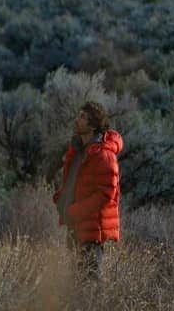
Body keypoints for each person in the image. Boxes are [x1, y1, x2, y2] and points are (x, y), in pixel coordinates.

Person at [52, 101, 123, 279]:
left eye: (83, 117)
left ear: (93, 125)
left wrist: (75, 211)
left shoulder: (104, 155)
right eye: (79, 115)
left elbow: (105, 195)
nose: (77, 120)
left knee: (89, 284)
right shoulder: (78, 149)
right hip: (74, 225)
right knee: (74, 282)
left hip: (91, 230)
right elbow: (74, 180)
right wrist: (61, 199)